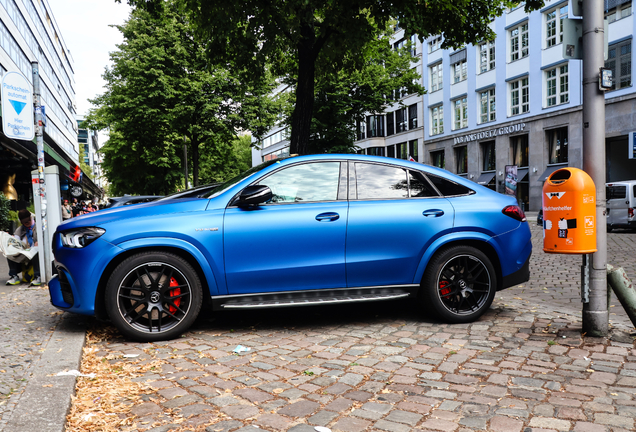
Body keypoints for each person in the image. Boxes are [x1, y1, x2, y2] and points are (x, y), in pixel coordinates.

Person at [5, 209, 40, 286]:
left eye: (28, 221)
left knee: (36, 250)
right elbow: (15, 243)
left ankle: (38, 276)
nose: (27, 223)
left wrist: (39, 243)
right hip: (23, 255)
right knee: (9, 252)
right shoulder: (19, 230)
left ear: (31, 218)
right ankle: (14, 275)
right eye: (24, 222)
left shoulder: (39, 228)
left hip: (36, 256)